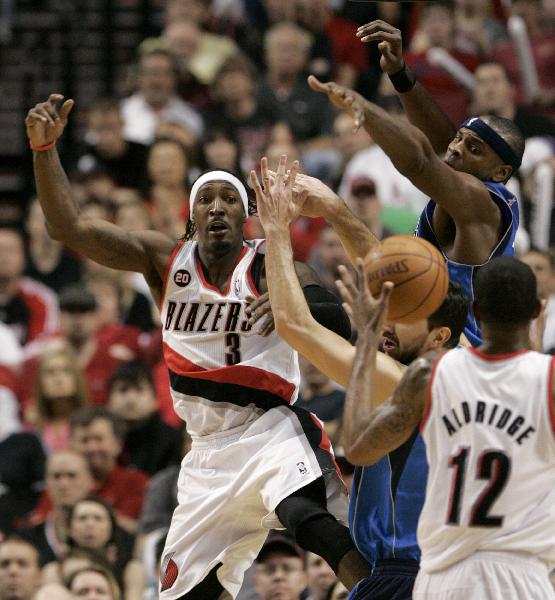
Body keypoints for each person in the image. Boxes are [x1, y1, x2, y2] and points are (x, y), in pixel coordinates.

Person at [26, 94, 370, 600]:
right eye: (206, 198)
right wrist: (44, 149)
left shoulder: (273, 266)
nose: (217, 207)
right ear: (192, 215)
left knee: (307, 518)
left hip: (268, 427)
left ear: (246, 214)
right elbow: (68, 227)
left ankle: (385, 592)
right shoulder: (164, 260)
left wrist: (289, 306)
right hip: (206, 454)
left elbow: (336, 320)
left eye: (228, 199)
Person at [250, 155, 468, 599]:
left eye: (402, 316)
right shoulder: (458, 364)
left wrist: (275, 231)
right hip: (417, 573)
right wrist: (333, 208)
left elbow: (296, 326)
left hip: (411, 576)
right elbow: (402, 276)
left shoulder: (417, 379)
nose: (388, 321)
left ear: (438, 335)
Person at [342, 256, 555, 599]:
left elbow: (356, 447)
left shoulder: (430, 373)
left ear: (477, 312)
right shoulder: (550, 381)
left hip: (441, 577)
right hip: (519, 577)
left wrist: (367, 340)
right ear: (537, 309)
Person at [310, 19, 524, 346]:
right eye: (459, 139)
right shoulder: (464, 177)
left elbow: (422, 161)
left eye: (474, 149)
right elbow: (440, 140)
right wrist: (399, 71)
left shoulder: (482, 202)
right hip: (425, 336)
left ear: (500, 172)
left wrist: (366, 109)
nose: (455, 149)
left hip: (455, 349)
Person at [69, 407, 148, 533]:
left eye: (98, 439)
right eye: (84, 440)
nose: (92, 448)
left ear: (118, 444)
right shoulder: (61, 482)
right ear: (71, 445)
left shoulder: (136, 483)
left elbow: (138, 529)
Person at [19, 450, 94, 565]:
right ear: (46, 483)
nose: (63, 484)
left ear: (90, 481)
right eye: (56, 476)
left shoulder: (112, 536)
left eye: (71, 475)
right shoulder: (27, 540)